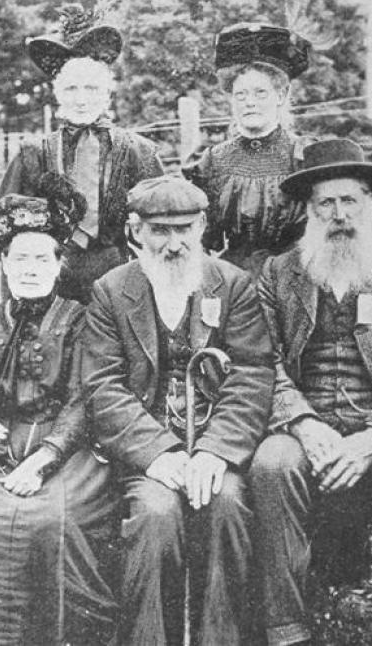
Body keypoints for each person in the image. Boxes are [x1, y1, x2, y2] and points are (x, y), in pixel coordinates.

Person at [251, 138, 372, 646]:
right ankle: (286, 630)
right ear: (309, 210)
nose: (340, 214)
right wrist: (302, 421)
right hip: (305, 425)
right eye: (327, 203)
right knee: (272, 462)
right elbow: (261, 361)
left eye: (350, 201)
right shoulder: (278, 273)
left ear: (369, 202)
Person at [82, 175, 274, 645]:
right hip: (148, 453)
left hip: (214, 446)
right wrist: (159, 453)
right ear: (136, 231)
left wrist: (216, 451)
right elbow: (101, 385)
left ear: (203, 225)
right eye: (160, 231)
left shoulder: (232, 286)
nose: (174, 244)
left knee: (226, 504)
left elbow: (252, 375)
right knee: (154, 514)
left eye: (185, 229)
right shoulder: (111, 290)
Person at [0, 194, 120, 645]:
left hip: (69, 453)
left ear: (58, 264)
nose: (30, 268)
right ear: (4, 263)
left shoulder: (82, 318)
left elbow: (85, 398)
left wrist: (43, 459)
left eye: (41, 258)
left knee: (50, 522)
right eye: (20, 258)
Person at [0, 2, 164, 303]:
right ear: (58, 94)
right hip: (51, 283)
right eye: (71, 89)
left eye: (91, 88)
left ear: (107, 93)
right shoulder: (33, 154)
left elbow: (163, 227)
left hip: (118, 278)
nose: (81, 99)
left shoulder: (138, 152)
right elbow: (2, 238)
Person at [183, 23, 312, 280]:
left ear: (281, 95)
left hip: (295, 279)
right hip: (232, 282)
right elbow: (202, 238)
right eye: (240, 94)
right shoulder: (213, 160)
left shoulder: (303, 155)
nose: (249, 102)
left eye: (260, 92)